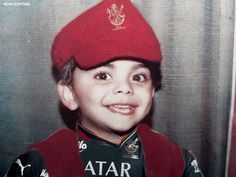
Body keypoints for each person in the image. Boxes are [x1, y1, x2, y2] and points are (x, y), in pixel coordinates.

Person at [5, 0, 204, 177]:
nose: (125, 88)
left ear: (152, 92)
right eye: (103, 76)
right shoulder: (39, 165)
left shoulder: (177, 163)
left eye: (138, 77)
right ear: (69, 94)